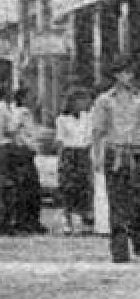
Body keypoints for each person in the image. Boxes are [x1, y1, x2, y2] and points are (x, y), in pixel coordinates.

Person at [92, 57, 140, 263]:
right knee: (118, 202)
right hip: (116, 153)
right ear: (115, 75)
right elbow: (97, 131)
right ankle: (120, 250)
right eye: (123, 73)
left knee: (137, 200)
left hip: (137, 152)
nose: (127, 77)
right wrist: (97, 157)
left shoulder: (139, 99)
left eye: (130, 72)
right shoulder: (105, 100)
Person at [6, 88, 47, 234]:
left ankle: (29, 220)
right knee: (27, 188)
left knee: (30, 188)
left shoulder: (26, 113)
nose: (34, 99)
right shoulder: (22, 112)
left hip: (27, 151)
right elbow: (11, 129)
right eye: (30, 96)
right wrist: (23, 140)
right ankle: (26, 221)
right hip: (23, 151)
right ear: (23, 98)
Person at [55, 86, 94, 235]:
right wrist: (62, 160)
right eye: (81, 100)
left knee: (85, 187)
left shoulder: (87, 117)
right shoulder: (62, 119)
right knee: (69, 188)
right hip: (69, 153)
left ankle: (86, 220)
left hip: (83, 152)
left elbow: (90, 136)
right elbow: (60, 141)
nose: (84, 103)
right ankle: (68, 221)